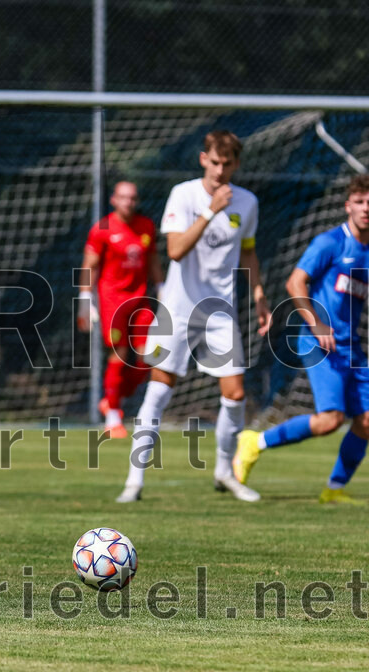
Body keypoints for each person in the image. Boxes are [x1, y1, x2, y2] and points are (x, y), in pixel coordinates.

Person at [115, 130, 272, 504]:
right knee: (159, 391)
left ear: (236, 165)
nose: (220, 170)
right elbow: (175, 250)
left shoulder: (247, 203)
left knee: (234, 395)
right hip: (178, 309)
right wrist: (210, 211)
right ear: (204, 159)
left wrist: (260, 295)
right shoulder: (184, 195)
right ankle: (134, 481)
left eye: (227, 164)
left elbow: (247, 252)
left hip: (219, 312)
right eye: (214, 162)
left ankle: (223, 472)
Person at [233, 175, 369, 504]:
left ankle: (333, 490)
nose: (367, 208)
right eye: (361, 201)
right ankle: (254, 443)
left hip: (351, 347)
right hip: (317, 342)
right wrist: (318, 324)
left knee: (366, 421)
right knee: (329, 421)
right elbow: (296, 283)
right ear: (347, 205)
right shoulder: (330, 243)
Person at [78, 181, 163, 438]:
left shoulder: (146, 226)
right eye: (124, 197)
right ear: (114, 200)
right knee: (119, 355)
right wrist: (85, 297)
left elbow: (153, 260)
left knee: (150, 356)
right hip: (113, 301)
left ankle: (113, 398)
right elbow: (90, 265)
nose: (129, 202)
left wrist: (162, 286)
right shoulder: (102, 228)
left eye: (133, 198)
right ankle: (113, 416)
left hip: (140, 300)